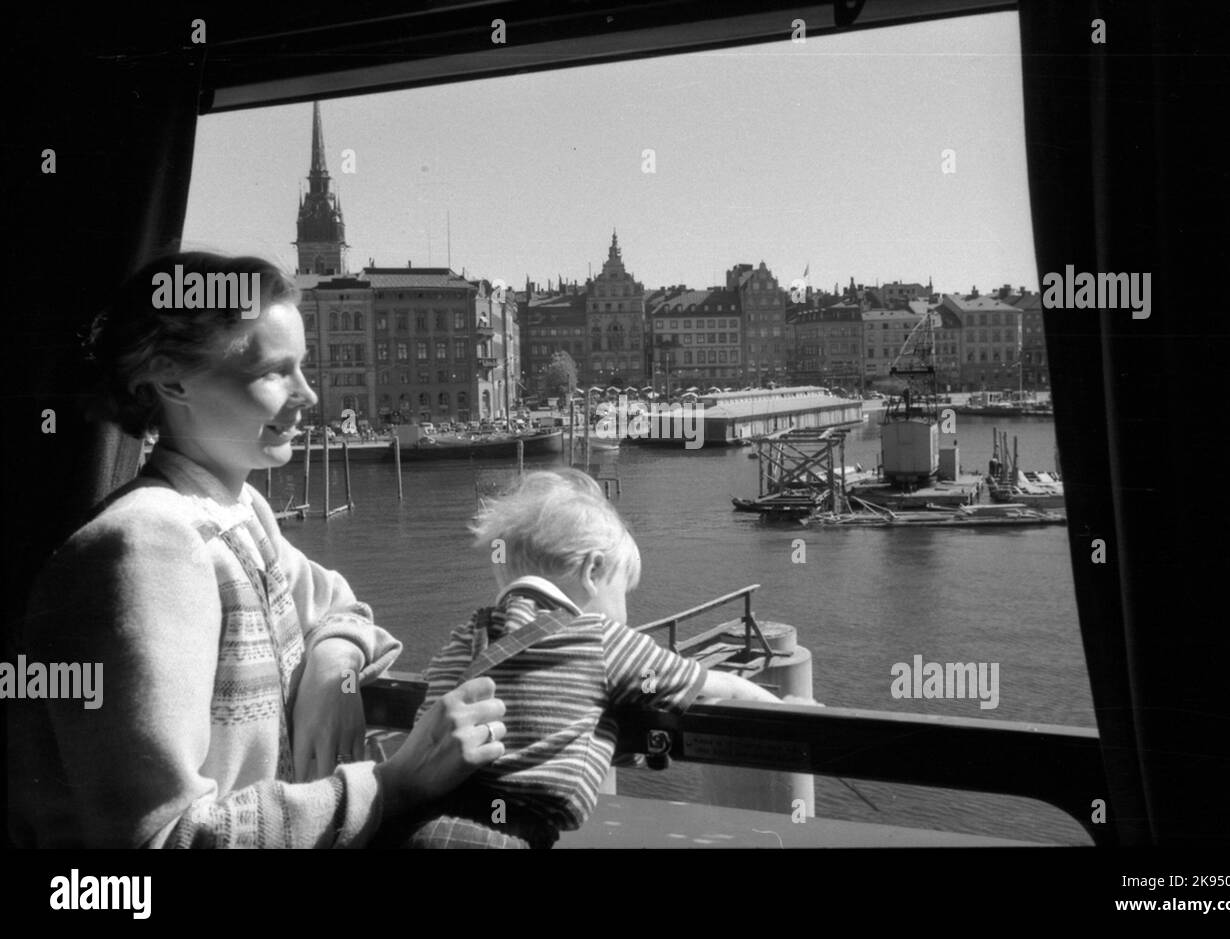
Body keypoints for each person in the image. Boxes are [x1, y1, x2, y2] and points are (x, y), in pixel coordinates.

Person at [7, 251, 507, 848]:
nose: (310, 395)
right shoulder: (146, 547)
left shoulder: (236, 512)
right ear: (172, 379)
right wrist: (395, 782)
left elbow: (337, 603)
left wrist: (333, 664)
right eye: (275, 372)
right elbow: (161, 840)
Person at [391, 468, 790, 849]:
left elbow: (429, 717)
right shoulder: (602, 639)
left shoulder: (465, 637)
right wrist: (787, 711)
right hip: (505, 837)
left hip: (415, 825)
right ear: (593, 570)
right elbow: (709, 686)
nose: (626, 612)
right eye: (622, 592)